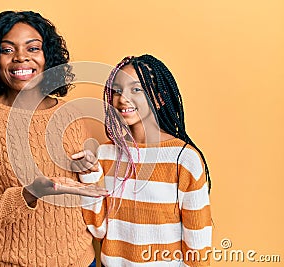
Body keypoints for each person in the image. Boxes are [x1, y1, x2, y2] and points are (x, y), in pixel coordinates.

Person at [0, 10, 107, 267]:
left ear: (48, 58)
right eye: (7, 50)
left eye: (33, 48)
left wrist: (92, 172)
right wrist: (29, 194)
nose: (21, 57)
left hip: (81, 261)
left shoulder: (73, 115)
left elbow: (92, 198)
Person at [72, 55, 212, 266]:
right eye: (117, 90)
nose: (122, 98)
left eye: (136, 89)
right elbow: (98, 230)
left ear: (160, 97)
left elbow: (198, 240)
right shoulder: (105, 154)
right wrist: (89, 176)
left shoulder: (184, 159)